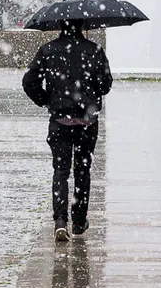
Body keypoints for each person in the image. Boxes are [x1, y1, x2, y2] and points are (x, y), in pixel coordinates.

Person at [22, 19, 113, 241]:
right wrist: (90, 92)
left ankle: (60, 221)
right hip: (87, 122)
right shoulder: (94, 50)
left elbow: (29, 81)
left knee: (60, 171)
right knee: (82, 171)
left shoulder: (48, 50)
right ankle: (79, 222)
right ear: (83, 25)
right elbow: (106, 85)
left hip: (60, 120)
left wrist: (46, 99)